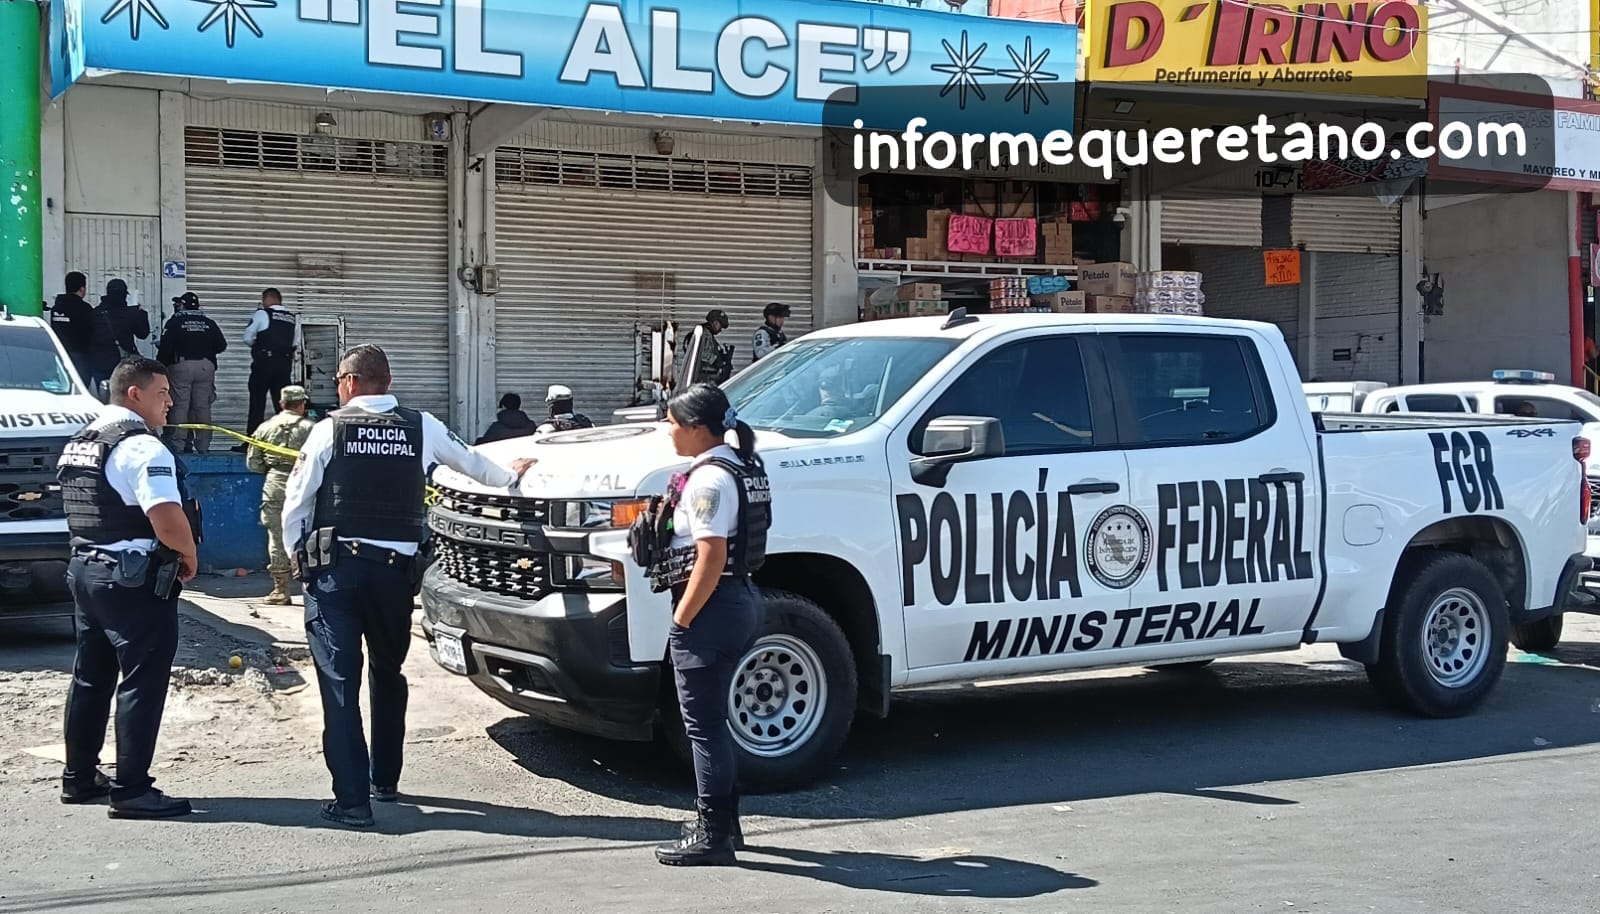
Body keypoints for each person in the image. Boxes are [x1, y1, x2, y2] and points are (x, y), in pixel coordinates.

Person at [280, 344, 537, 828]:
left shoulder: (329, 430)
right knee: (388, 672)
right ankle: (385, 779)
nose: (337, 387)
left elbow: (297, 498)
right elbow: (475, 465)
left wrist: (299, 558)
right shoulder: (423, 426)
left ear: (350, 382)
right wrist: (512, 475)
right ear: (389, 382)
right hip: (395, 575)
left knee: (339, 684)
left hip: (337, 574)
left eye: (338, 379)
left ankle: (353, 802)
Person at [55, 356, 201, 819]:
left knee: (91, 677)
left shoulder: (82, 441)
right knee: (142, 679)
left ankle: (79, 777)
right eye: (162, 394)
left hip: (86, 570)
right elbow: (166, 516)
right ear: (134, 394)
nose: (171, 402)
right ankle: (132, 788)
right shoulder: (142, 447)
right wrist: (189, 555)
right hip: (132, 579)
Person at [642, 383, 771, 867]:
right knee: (711, 723)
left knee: (704, 727)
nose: (668, 431)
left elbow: (712, 555)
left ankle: (713, 835)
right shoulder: (742, 466)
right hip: (738, 601)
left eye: (673, 423)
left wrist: (682, 618)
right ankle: (724, 826)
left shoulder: (709, 480)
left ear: (697, 428)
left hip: (712, 609)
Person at [247, 385, 315, 606]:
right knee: (312, 534)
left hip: (275, 485)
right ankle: (314, 587)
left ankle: (280, 589)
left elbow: (253, 463)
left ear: (282, 404)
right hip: (305, 484)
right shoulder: (313, 429)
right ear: (302, 404)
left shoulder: (265, 428)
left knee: (276, 536)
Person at [157, 292, 228, 454]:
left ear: (182, 305)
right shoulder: (209, 322)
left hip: (182, 366)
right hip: (206, 366)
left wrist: (161, 365)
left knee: (180, 405)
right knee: (202, 407)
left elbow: (165, 347)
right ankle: (203, 446)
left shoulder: (175, 322)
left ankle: (178, 444)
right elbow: (222, 345)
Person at [243, 288, 301, 436]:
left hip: (264, 363)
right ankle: (286, 440)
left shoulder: (262, 314)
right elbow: (295, 342)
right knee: (282, 404)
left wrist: (258, 345)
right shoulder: (292, 318)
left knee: (257, 403)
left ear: (267, 300)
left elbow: (247, 337)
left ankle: (252, 440)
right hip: (284, 365)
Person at [88, 279, 151, 399]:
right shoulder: (131, 313)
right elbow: (143, 334)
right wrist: (142, 314)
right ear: (124, 295)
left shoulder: (95, 313)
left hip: (100, 363)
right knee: (123, 398)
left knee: (104, 397)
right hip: (122, 364)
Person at [50, 271, 97, 387]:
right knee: (80, 387)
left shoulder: (57, 308)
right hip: (81, 356)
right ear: (82, 289)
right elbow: (92, 331)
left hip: (59, 355)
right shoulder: (84, 309)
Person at [689, 309, 734, 386]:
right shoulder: (704, 334)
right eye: (720, 326)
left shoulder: (707, 334)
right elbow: (702, 353)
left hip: (706, 377)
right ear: (715, 322)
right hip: (703, 377)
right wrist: (717, 361)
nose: (720, 330)